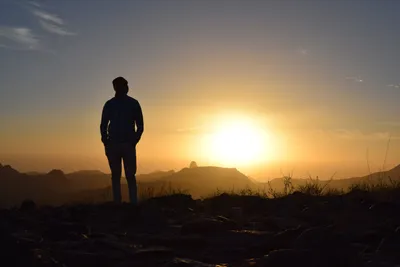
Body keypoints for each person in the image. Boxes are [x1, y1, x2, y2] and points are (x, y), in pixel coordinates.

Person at [100, 77, 144, 204]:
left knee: (123, 176)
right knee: (121, 176)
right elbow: (103, 125)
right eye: (125, 85)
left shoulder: (126, 104)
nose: (127, 87)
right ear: (118, 87)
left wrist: (133, 141)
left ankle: (126, 204)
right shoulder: (115, 104)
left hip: (122, 144)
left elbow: (140, 125)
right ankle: (127, 204)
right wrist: (106, 141)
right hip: (118, 144)